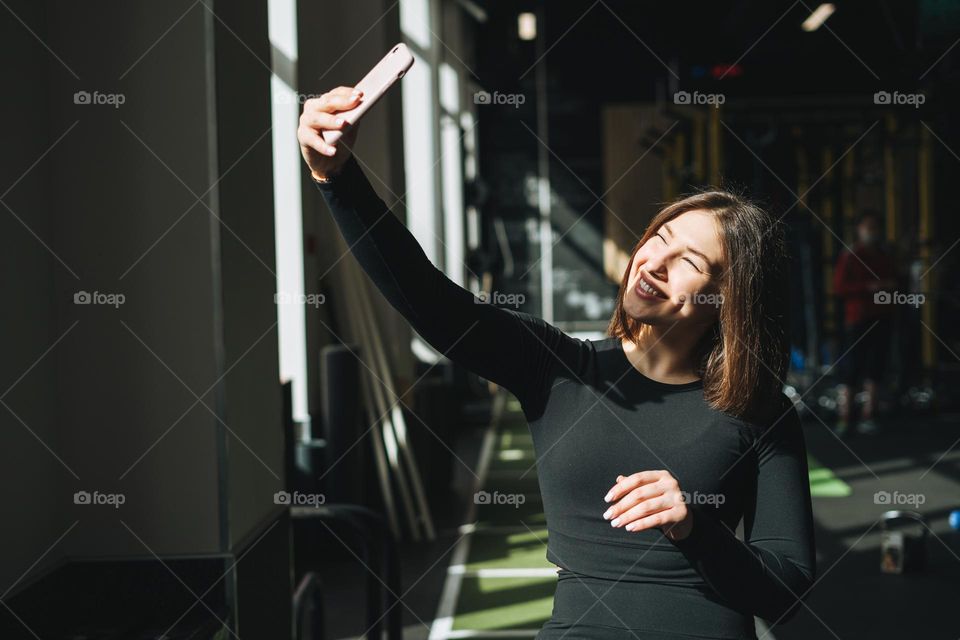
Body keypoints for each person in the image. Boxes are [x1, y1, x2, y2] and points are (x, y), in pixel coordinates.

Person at [298, 86, 816, 639]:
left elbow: (784, 591)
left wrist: (694, 526)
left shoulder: (759, 411)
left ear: (727, 298)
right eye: (658, 238)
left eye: (687, 260)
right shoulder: (558, 368)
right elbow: (429, 300)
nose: (654, 261)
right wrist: (338, 178)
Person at [832, 211, 896, 437]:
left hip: (882, 317)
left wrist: (887, 289)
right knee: (852, 368)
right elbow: (839, 288)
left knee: (876, 368)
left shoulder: (884, 255)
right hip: (858, 319)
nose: (871, 231)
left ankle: (870, 415)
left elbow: (894, 283)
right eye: (867, 227)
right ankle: (845, 416)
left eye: (874, 227)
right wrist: (868, 287)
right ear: (858, 229)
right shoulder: (850, 255)